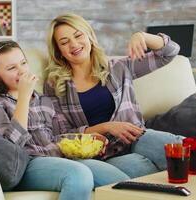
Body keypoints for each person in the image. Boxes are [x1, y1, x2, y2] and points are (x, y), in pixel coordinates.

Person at [0, 40, 129, 200]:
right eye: (11, 68)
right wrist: (24, 97)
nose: (21, 71)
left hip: (57, 158)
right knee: (78, 175)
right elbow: (9, 147)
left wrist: (84, 139)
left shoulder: (43, 100)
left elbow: (60, 136)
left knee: (122, 182)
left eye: (23, 63)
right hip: (27, 164)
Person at [44, 13, 183, 178]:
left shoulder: (118, 67)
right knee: (142, 167)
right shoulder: (55, 85)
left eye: (78, 35)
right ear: (59, 51)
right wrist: (107, 127)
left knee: (183, 150)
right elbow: (63, 135)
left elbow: (170, 52)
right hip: (104, 156)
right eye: (64, 42)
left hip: (137, 139)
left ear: (89, 36)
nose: (74, 44)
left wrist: (142, 36)